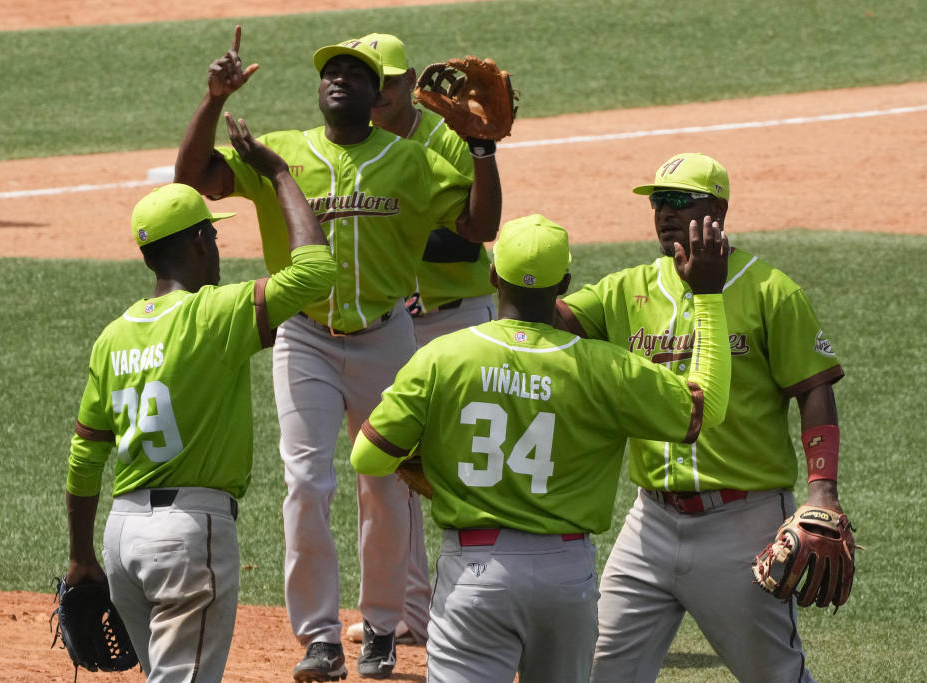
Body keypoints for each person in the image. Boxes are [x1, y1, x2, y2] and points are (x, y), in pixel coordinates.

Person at [173, 26, 502, 681]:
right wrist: (212, 100)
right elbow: (195, 179)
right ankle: (319, 636)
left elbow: (480, 228)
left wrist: (485, 150)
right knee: (305, 483)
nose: (338, 78)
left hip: (386, 336)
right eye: (330, 71)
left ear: (376, 91)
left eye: (353, 72)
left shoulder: (409, 160)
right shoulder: (283, 152)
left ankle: (381, 628)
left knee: (383, 487)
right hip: (305, 337)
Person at [350, 213, 732, 683]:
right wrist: (710, 297)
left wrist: (437, 467)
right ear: (564, 284)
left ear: (493, 276)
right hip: (565, 576)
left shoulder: (442, 356)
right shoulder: (607, 368)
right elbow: (706, 408)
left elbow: (367, 456)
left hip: (474, 570)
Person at [554, 153, 847, 682]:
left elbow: (815, 389)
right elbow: (546, 319)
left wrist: (822, 488)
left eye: (680, 201)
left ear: (719, 208)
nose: (664, 213)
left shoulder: (770, 291)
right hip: (649, 523)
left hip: (742, 523)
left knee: (775, 675)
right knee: (600, 670)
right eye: (657, 202)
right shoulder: (627, 289)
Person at [63, 116, 335, 682]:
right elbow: (316, 272)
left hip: (122, 538)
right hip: (189, 536)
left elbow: (86, 456)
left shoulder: (114, 335)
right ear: (197, 241)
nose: (217, 246)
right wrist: (280, 174)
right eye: (213, 235)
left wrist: (81, 555)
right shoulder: (218, 313)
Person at [341, 31, 499, 650]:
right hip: (394, 326)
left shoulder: (447, 141)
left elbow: (468, 237)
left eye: (388, 81)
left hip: (459, 318)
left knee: (475, 459)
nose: (377, 93)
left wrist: (389, 237)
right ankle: (409, 612)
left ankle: (490, 603)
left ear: (412, 86)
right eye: (367, 80)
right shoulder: (352, 144)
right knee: (390, 465)